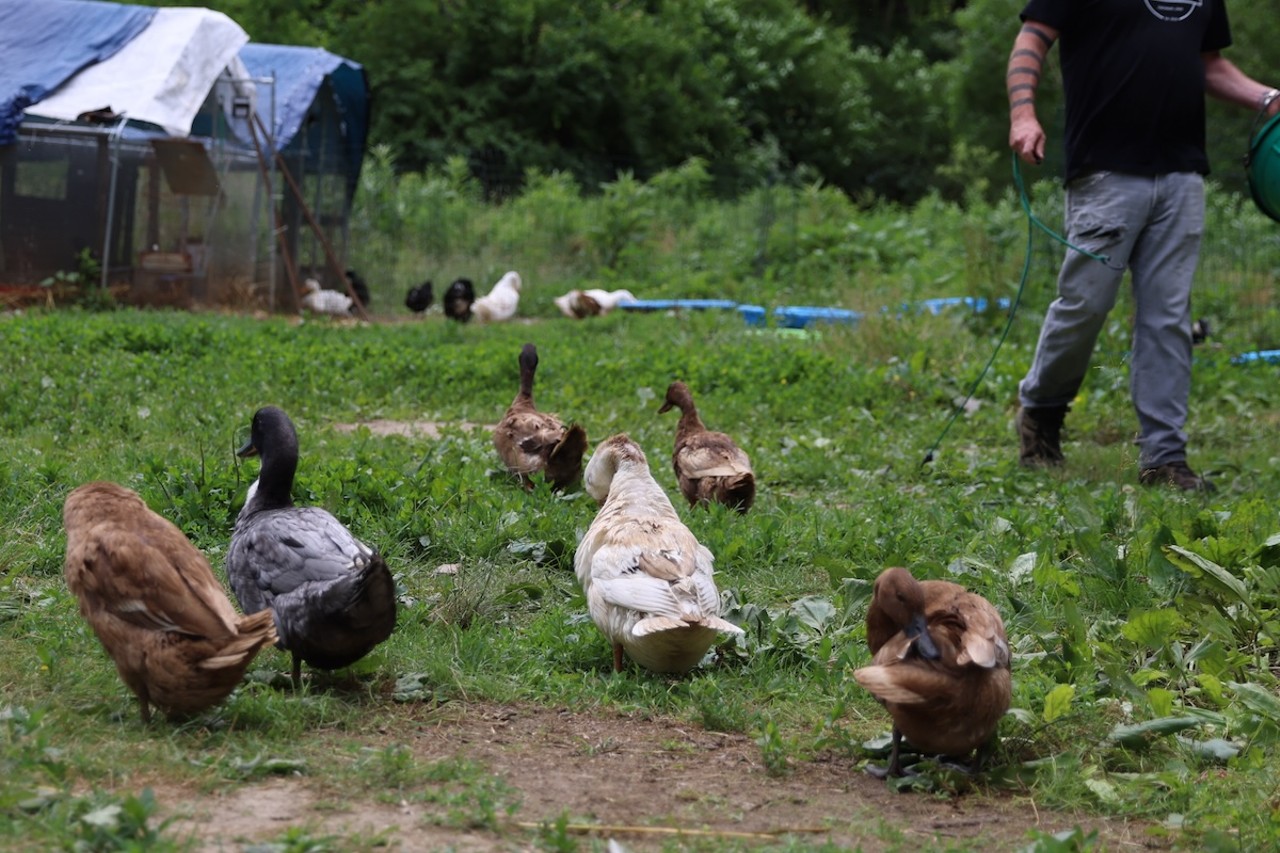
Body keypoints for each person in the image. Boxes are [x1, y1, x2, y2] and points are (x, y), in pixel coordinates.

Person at [1006, 0, 1279, 492]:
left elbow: (1208, 64)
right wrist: (1023, 112)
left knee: (1168, 317)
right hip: (1104, 171)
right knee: (1085, 304)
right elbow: (1032, 39)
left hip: (1182, 174)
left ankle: (1164, 458)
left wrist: (1269, 98)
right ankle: (1041, 413)